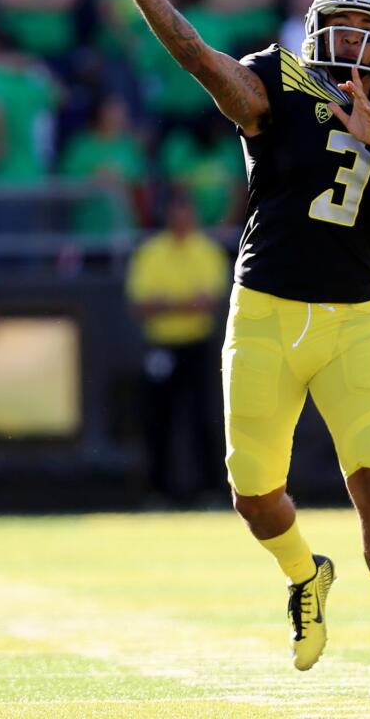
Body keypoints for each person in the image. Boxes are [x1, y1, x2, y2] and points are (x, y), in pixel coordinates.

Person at [87, 0, 370, 699]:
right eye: (342, 28)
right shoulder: (279, 84)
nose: (353, 45)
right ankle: (304, 573)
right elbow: (197, 57)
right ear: (317, 30)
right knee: (253, 495)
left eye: (369, 33)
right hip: (264, 311)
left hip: (354, 318)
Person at [126, 189, 229, 505]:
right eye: (175, 212)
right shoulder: (151, 252)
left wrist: (167, 303)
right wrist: (186, 303)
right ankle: (158, 492)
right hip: (161, 346)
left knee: (204, 417)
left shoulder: (208, 250)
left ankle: (210, 491)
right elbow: (142, 305)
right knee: (158, 419)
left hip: (198, 345)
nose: (181, 219)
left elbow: (208, 302)